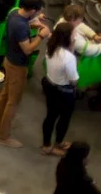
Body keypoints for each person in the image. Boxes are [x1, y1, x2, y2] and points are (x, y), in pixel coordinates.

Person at [0, 0, 50, 147]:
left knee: (5, 93)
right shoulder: (21, 26)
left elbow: (23, 26)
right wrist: (41, 36)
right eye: (37, 12)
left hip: (8, 59)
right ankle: (3, 136)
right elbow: (27, 49)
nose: (38, 15)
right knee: (14, 101)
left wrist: (34, 25)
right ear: (32, 10)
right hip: (18, 65)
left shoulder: (14, 13)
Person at [42, 22, 79, 156]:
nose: (76, 36)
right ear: (68, 37)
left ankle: (46, 144)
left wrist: (72, 46)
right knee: (64, 117)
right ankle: (57, 143)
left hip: (49, 84)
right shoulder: (68, 58)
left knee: (50, 116)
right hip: (63, 91)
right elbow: (73, 80)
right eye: (74, 34)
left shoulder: (50, 46)